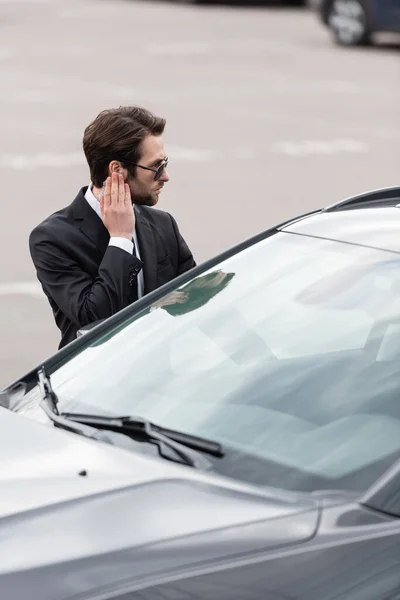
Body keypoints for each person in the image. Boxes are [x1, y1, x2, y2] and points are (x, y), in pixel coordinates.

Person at [29, 106, 196, 349]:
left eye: (165, 163)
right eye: (157, 166)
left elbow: (196, 303)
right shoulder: (51, 239)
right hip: (97, 383)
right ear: (117, 170)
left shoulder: (163, 224)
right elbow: (93, 318)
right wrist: (120, 239)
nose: (166, 176)